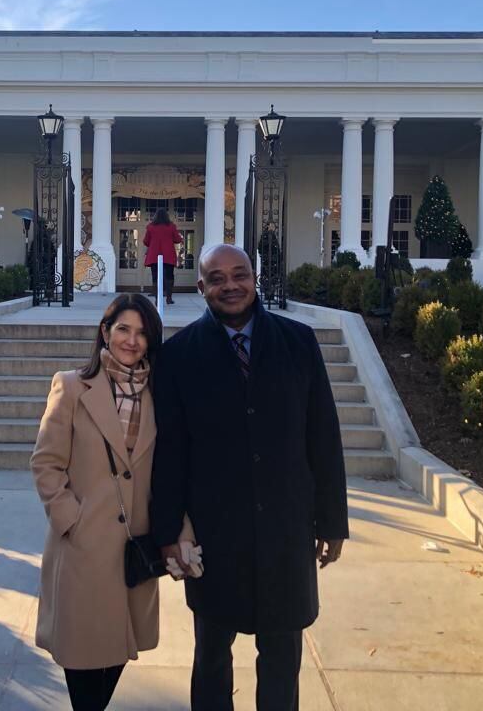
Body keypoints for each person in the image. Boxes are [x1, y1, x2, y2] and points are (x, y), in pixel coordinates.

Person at [150, 244, 349, 711]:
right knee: (212, 657)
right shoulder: (178, 356)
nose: (230, 285)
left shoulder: (299, 342)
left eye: (239, 274)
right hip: (215, 536)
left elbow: (322, 435)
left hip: (286, 529)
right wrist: (168, 533)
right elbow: (170, 452)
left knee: (282, 657)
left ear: (255, 278)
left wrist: (332, 521)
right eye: (216, 279)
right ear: (200, 288)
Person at [31, 293, 197, 710]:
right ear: (105, 332)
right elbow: (46, 463)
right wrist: (70, 518)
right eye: (123, 328)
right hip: (82, 547)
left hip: (134, 548)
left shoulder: (161, 395)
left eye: (142, 333)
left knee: (120, 645)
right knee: (82, 655)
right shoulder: (71, 386)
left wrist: (179, 529)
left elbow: (171, 467)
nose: (131, 340)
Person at [143, 208, 184, 304]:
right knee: (169, 276)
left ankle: (157, 299)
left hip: (154, 255)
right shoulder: (171, 226)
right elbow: (178, 239)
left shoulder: (150, 227)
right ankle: (168, 298)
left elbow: (146, 241)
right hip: (168, 255)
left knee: (155, 277)